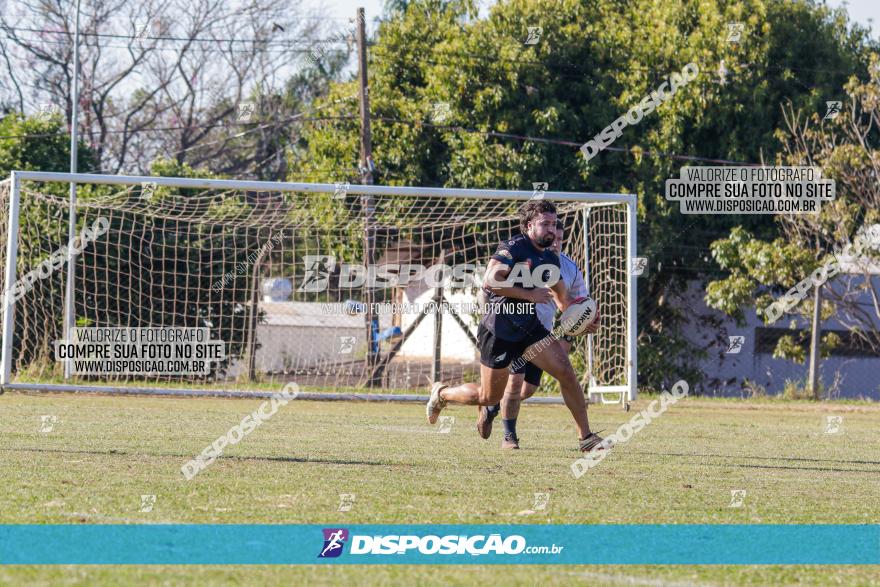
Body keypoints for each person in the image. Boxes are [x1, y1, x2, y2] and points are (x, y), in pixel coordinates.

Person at [425, 200, 610, 453]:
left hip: (529, 328)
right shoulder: (513, 247)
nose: (551, 230)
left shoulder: (552, 261)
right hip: (499, 328)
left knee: (566, 371)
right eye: (545, 224)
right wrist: (529, 294)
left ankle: (586, 438)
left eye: (554, 224)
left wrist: (583, 321)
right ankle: (443, 393)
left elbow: (564, 301)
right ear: (529, 225)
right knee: (488, 397)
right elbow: (491, 280)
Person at [496, 220, 588, 449]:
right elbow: (493, 284)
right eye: (551, 235)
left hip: (542, 334)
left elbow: (575, 305)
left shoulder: (568, 268)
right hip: (515, 329)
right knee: (515, 384)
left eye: (559, 238)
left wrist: (582, 325)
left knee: (527, 389)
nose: (554, 241)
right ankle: (509, 437)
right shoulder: (525, 257)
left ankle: (492, 406)